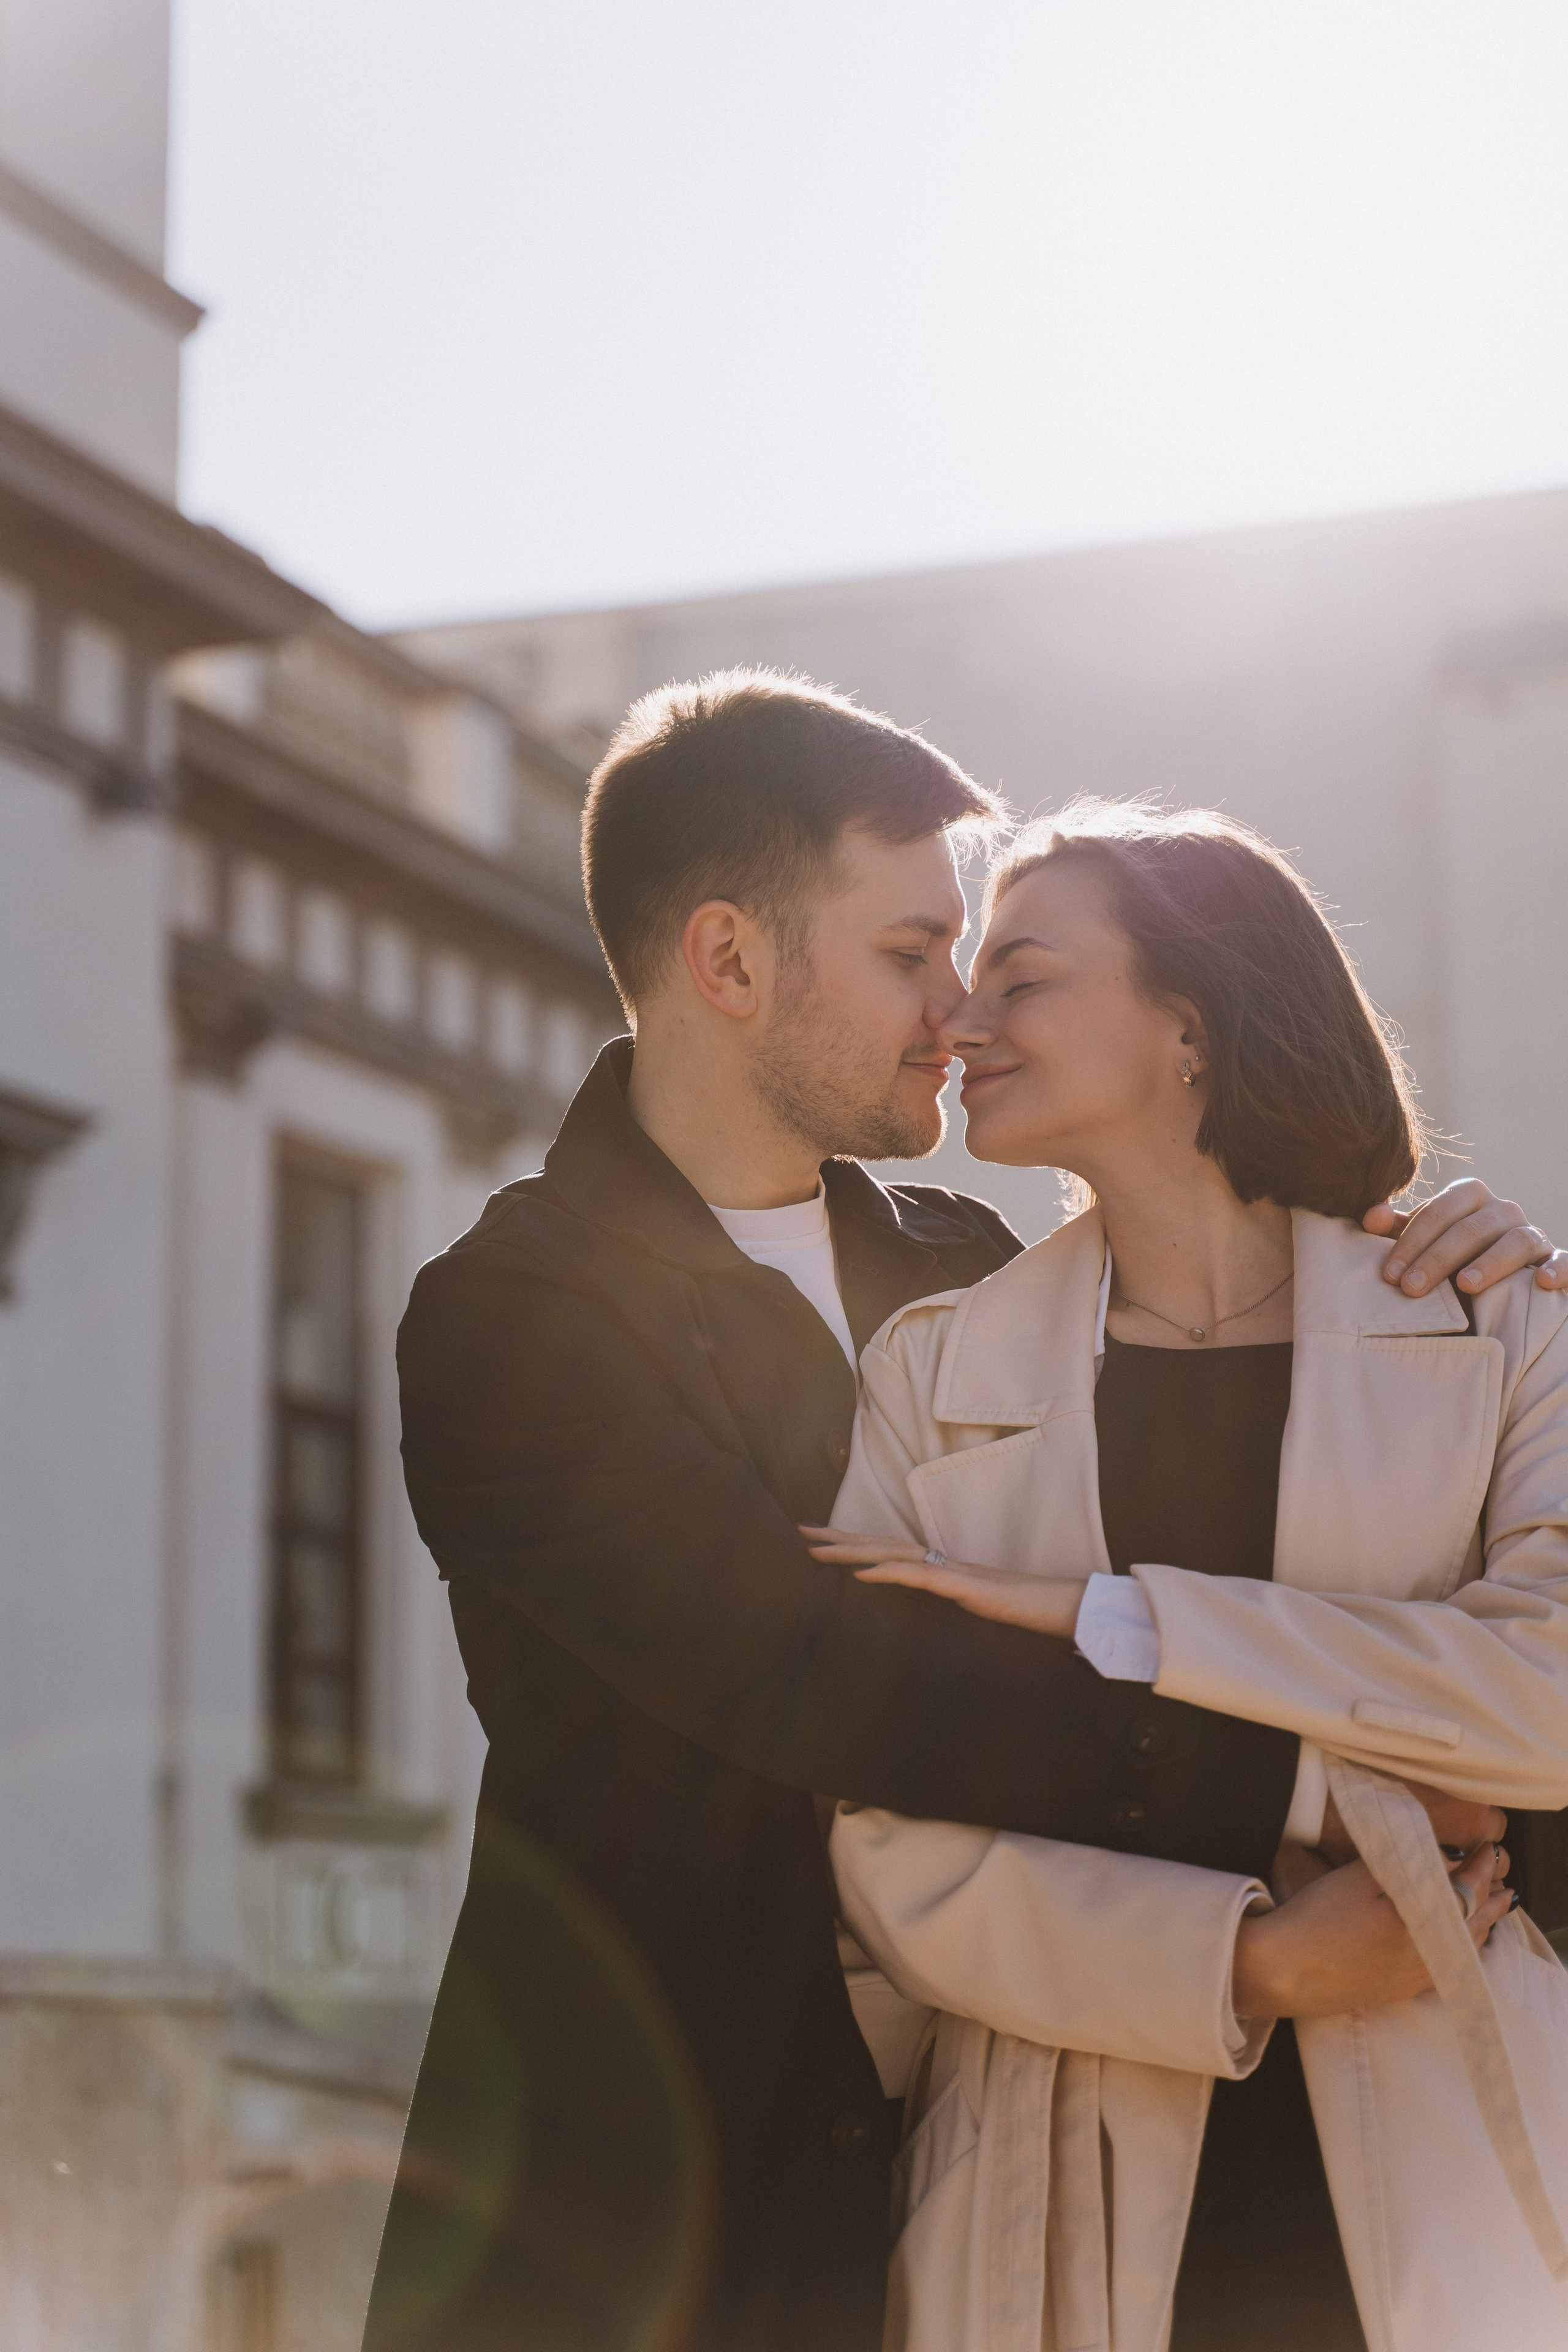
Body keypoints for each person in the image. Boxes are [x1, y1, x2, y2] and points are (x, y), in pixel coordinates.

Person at [363, 675, 1559, 2352]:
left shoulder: (968, 1278)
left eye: (991, 962)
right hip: (653, 2228)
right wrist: (1342, 1786)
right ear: (729, 963)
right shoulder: (515, 1315)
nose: (955, 1009)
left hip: (994, 2181)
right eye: (913, 952)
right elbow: (817, 1676)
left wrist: (1454, 1258)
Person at [810, 799, 1568, 2352]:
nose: (958, 1019)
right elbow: (892, 1834)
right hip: (1048, 2176)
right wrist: (1249, 1957)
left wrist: (1123, 1623)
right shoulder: (928, 1372)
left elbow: (1546, 1709)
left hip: (1457, 2148)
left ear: (1190, 1025)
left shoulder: (1505, 1328)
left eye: (1019, 975)